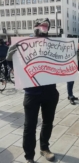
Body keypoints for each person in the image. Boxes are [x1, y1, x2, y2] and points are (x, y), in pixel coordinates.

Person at [6, 18, 59, 163]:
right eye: (41, 26)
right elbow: (11, 62)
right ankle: (29, 156)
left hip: (50, 91)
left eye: (46, 26)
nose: (43, 28)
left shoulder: (54, 44)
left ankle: (44, 148)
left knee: (48, 122)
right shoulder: (24, 44)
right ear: (35, 27)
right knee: (29, 126)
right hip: (32, 93)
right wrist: (11, 52)